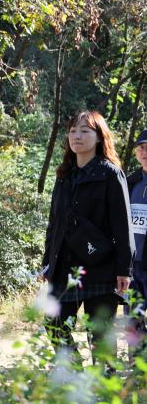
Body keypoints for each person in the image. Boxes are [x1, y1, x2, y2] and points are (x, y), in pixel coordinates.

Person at [42, 111, 133, 368]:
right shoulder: (64, 176)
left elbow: (122, 226)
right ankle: (76, 374)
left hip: (101, 267)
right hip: (64, 267)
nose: (77, 136)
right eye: (73, 131)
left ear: (99, 137)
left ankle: (105, 384)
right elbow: (54, 223)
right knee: (53, 323)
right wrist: (47, 261)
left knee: (100, 333)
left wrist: (124, 269)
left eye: (84, 131)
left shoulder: (110, 174)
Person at [126, 130, 147, 357]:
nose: (144, 151)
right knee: (133, 317)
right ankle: (138, 366)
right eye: (140, 148)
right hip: (134, 263)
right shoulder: (130, 182)